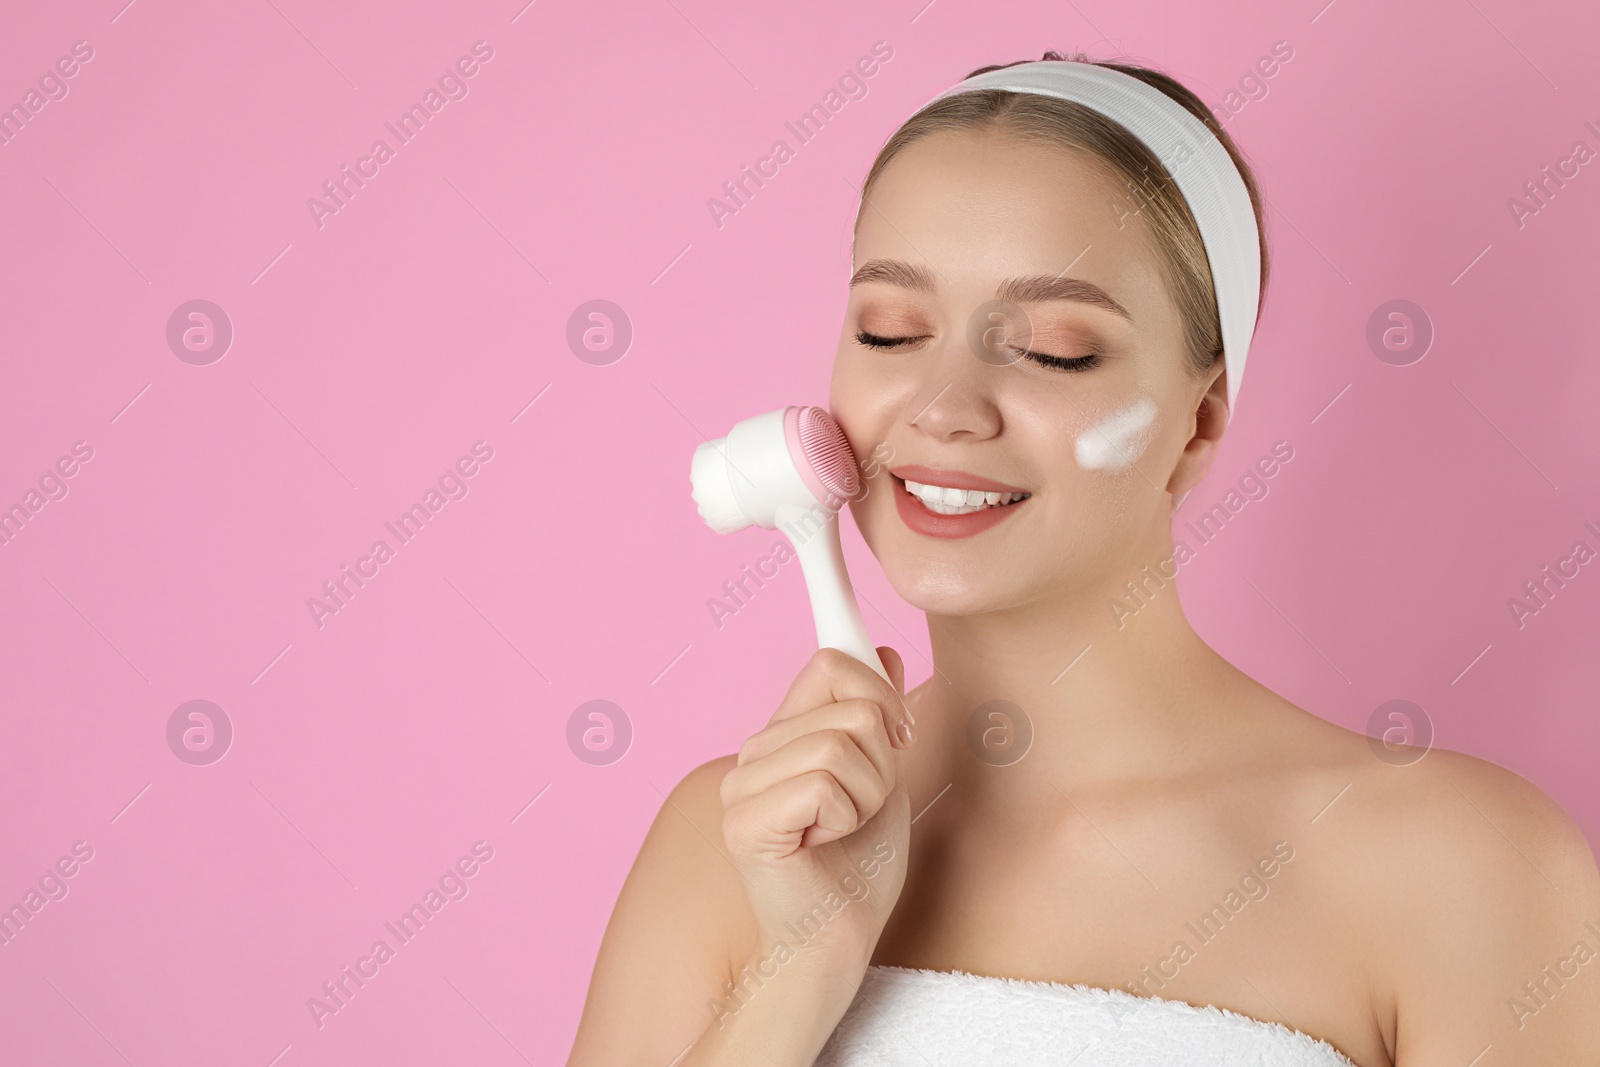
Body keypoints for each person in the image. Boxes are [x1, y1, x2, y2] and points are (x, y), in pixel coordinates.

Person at [565, 52, 1600, 1066]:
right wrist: (800, 964)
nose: (942, 407)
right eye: (889, 330)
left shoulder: (1461, 868)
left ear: (1196, 424)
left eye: (1056, 350)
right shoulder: (739, 841)